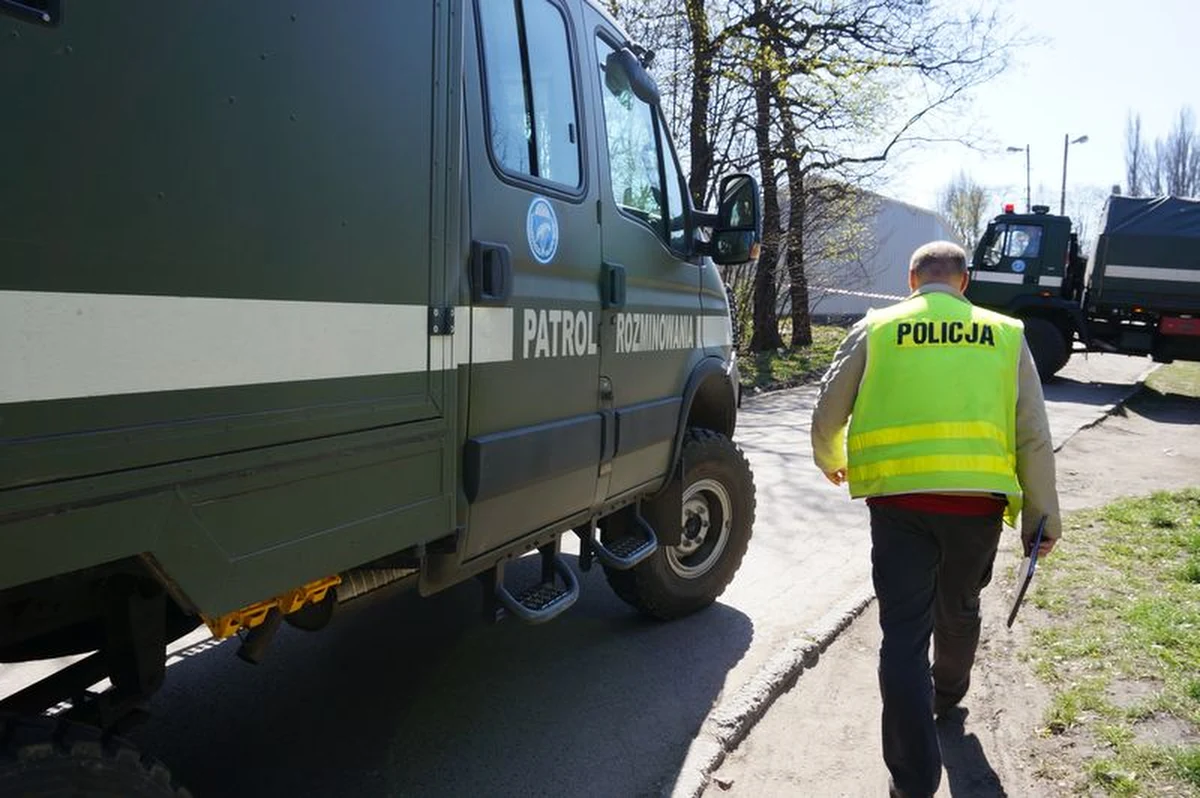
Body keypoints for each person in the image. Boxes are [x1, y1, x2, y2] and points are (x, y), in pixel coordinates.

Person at [810, 241, 1061, 798]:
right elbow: (1033, 434)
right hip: (977, 508)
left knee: (902, 636)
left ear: (912, 279)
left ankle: (912, 781)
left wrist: (832, 459)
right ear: (965, 282)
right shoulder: (1006, 333)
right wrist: (1040, 519)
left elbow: (829, 408)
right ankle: (947, 693)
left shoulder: (878, 328)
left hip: (898, 504)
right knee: (961, 603)